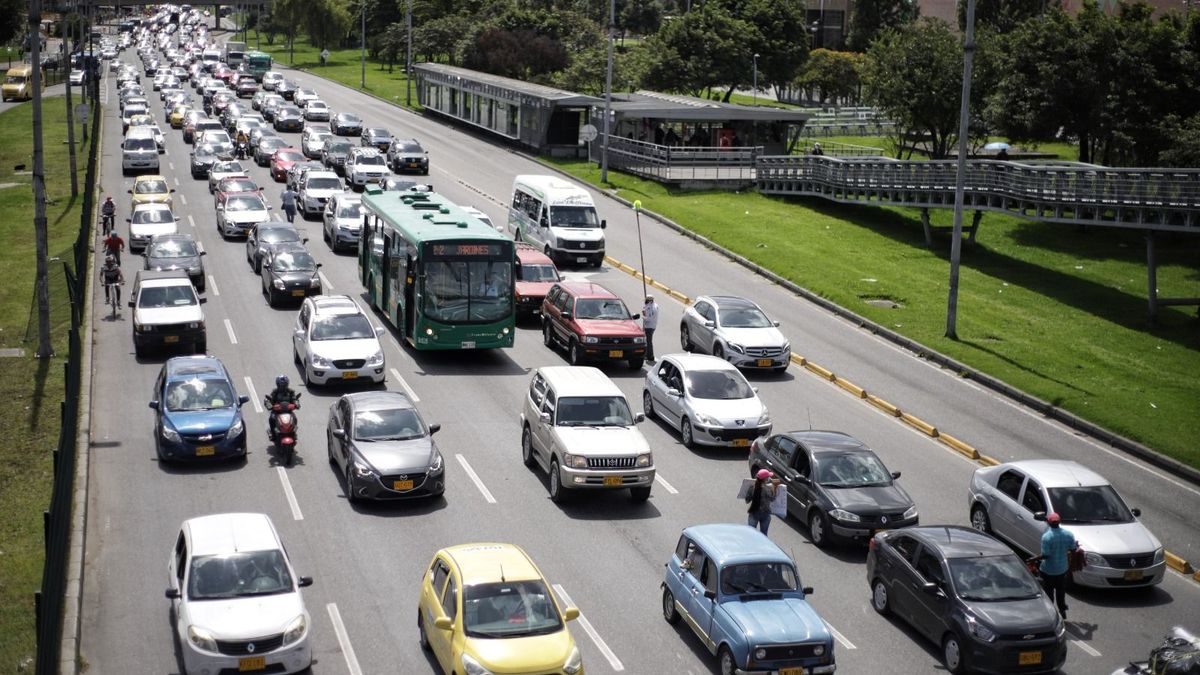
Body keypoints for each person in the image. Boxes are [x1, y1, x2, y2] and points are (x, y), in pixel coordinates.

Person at [1037, 512, 1077, 619]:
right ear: (1059, 522)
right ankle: (1062, 610)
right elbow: (1073, 549)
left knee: (1049, 592)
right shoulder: (1069, 535)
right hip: (1062, 569)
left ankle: (1051, 613)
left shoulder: (1046, 537)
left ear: (1048, 522)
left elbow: (1046, 555)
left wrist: (1034, 558)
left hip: (1048, 570)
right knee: (1060, 591)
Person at [745, 469, 780, 535]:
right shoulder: (767, 489)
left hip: (754, 512)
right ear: (765, 479)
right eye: (768, 477)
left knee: (750, 534)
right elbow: (772, 499)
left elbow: (747, 500)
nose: (769, 478)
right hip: (765, 514)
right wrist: (774, 488)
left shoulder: (752, 488)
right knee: (763, 535)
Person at [265, 375, 300, 441]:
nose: (282, 386)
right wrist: (269, 405)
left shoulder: (291, 391)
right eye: (281, 385)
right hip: (277, 411)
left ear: (287, 384)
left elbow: (294, 399)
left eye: (284, 384)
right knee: (271, 418)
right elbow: (268, 399)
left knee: (295, 418)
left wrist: (296, 404)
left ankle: (294, 433)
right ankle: (272, 433)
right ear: (278, 384)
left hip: (288, 411)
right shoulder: (275, 391)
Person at [642, 294, 659, 364]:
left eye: (646, 300)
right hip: (652, 325)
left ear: (649, 301)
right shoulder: (655, 305)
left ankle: (650, 356)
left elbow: (649, 318)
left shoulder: (650, 308)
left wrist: (643, 316)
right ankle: (647, 354)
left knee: (648, 341)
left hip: (649, 326)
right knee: (648, 340)